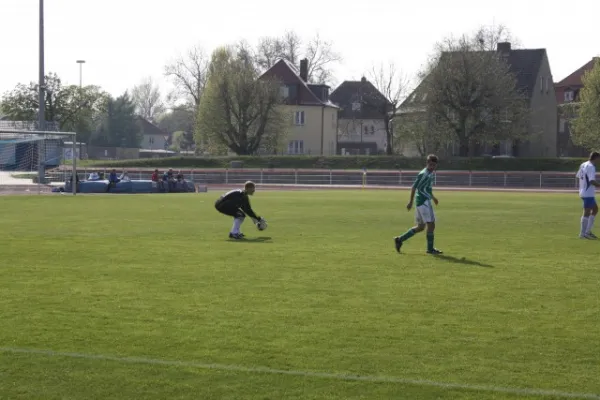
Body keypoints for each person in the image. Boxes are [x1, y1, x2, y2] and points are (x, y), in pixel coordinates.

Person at [394, 154, 443, 255]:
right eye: (430, 165)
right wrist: (410, 202)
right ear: (427, 163)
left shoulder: (430, 173)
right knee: (431, 225)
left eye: (434, 165)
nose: (432, 167)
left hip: (422, 202)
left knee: (421, 227)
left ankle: (399, 239)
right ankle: (430, 249)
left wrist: (433, 198)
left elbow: (427, 188)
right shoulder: (423, 174)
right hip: (423, 202)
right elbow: (414, 187)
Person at [576, 151, 600, 239]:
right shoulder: (591, 167)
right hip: (587, 192)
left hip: (583, 191)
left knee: (595, 209)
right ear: (596, 158)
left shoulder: (583, 164)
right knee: (586, 212)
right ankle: (583, 234)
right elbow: (591, 181)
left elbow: (578, 176)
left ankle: (587, 231)